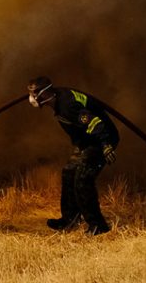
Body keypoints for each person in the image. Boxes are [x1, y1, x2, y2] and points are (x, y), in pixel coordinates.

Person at [28, 76, 118, 235]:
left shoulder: (67, 105)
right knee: (69, 173)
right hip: (86, 141)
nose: (32, 98)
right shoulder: (57, 99)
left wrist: (105, 145)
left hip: (100, 138)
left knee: (82, 179)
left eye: (35, 93)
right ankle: (70, 220)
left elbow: (95, 123)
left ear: (45, 93)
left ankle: (98, 225)